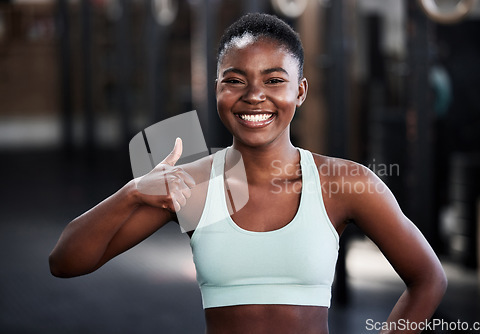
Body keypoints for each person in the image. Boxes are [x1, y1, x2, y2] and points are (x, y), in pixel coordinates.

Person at [49, 13, 447, 334]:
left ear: (301, 91)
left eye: (274, 80)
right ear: (216, 89)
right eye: (235, 81)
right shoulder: (193, 186)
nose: (254, 95)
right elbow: (65, 262)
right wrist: (133, 192)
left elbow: (428, 278)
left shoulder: (343, 183)